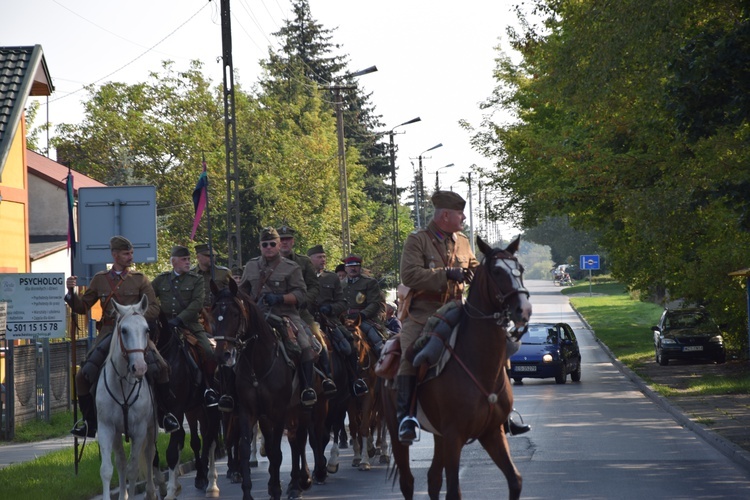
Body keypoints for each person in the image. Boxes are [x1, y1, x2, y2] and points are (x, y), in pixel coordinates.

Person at [396, 190, 530, 445]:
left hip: (459, 309)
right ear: (445, 215)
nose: (463, 217)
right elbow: (409, 276)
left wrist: (486, 272)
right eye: (459, 213)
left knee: (499, 345)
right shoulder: (418, 240)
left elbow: (477, 269)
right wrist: (446, 273)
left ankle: (504, 412)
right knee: (409, 354)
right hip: (424, 313)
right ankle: (407, 417)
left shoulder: (464, 242)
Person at [65, 236, 180, 437]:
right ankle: (89, 423)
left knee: (161, 367)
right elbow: (83, 307)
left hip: (135, 333)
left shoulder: (140, 279)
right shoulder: (100, 279)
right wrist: (70, 292)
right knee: (83, 376)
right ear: (115, 255)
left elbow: (154, 307)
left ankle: (165, 415)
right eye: (126, 253)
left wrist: (133, 318)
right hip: (109, 332)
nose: (130, 257)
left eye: (131, 253)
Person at [239, 227, 320, 406]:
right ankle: (230, 392)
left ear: (278, 246)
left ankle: (307, 388)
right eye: (264, 244)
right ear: (260, 246)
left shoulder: (291, 267)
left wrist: (281, 298)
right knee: (232, 346)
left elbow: (300, 294)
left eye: (272, 244)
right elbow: (242, 291)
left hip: (286, 316)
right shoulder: (251, 266)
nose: (268, 247)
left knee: (305, 346)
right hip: (257, 317)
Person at [151, 245, 219, 409]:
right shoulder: (161, 280)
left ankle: (209, 388)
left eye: (188, 259)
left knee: (208, 351)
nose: (188, 262)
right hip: (164, 326)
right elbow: (150, 298)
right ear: (174, 261)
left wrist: (179, 319)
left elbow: (197, 303)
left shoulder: (196, 279)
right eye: (184, 260)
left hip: (190, 325)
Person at [277, 225, 336, 396]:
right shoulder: (266, 262)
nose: (285, 242)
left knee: (318, 338)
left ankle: (326, 376)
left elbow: (314, 287)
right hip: (273, 311)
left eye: (287, 239)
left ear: (293, 241)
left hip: (300, 312)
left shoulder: (304, 262)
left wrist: (303, 300)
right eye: (281, 239)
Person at [307, 245, 368, 396]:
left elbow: (342, 302)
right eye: (319, 257)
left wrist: (330, 308)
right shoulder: (302, 277)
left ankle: (355, 380)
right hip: (307, 320)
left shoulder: (332, 277)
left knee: (349, 345)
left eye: (324, 257)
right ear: (310, 260)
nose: (323, 260)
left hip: (330, 320)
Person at [341, 254, 387, 358]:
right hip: (344, 320)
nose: (353, 268)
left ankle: (382, 363)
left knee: (377, 340)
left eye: (356, 266)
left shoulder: (369, 282)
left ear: (360, 267)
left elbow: (374, 303)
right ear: (345, 268)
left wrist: (362, 315)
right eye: (350, 266)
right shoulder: (340, 284)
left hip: (365, 319)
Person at [191, 243, 232, 308]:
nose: (212, 258)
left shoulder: (224, 272)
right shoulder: (190, 274)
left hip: (217, 310)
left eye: (213, 255)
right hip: (196, 311)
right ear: (198, 257)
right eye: (208, 256)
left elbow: (231, 293)